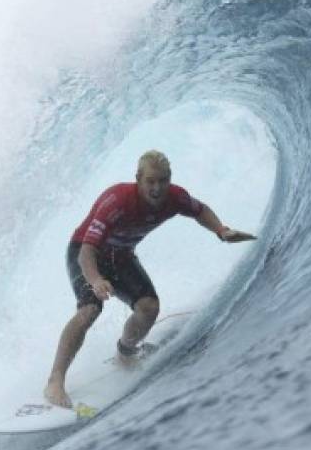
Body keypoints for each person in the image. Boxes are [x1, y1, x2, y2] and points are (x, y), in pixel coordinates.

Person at [44, 150, 256, 408]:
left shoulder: (175, 197)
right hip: (85, 253)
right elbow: (87, 251)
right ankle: (55, 381)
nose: (157, 188)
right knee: (89, 309)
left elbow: (200, 210)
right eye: (151, 181)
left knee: (149, 307)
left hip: (121, 256)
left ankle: (125, 352)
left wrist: (221, 230)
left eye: (163, 180)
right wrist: (96, 280)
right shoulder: (117, 201)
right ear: (138, 179)